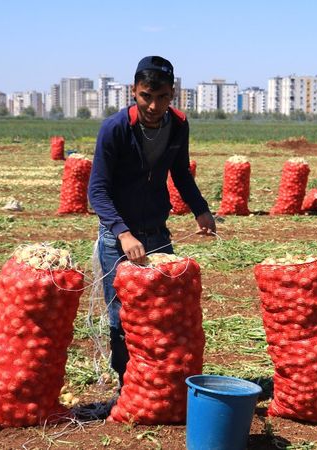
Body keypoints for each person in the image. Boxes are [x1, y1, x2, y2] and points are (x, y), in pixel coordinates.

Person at [88, 56, 216, 389]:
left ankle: (160, 384)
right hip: (118, 240)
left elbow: (180, 173)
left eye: (162, 97)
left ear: (172, 93)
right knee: (122, 319)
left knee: (165, 313)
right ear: (134, 91)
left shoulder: (178, 124)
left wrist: (200, 209)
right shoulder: (115, 128)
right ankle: (126, 387)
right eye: (147, 96)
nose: (154, 105)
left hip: (158, 234)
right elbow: (97, 191)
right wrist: (123, 233)